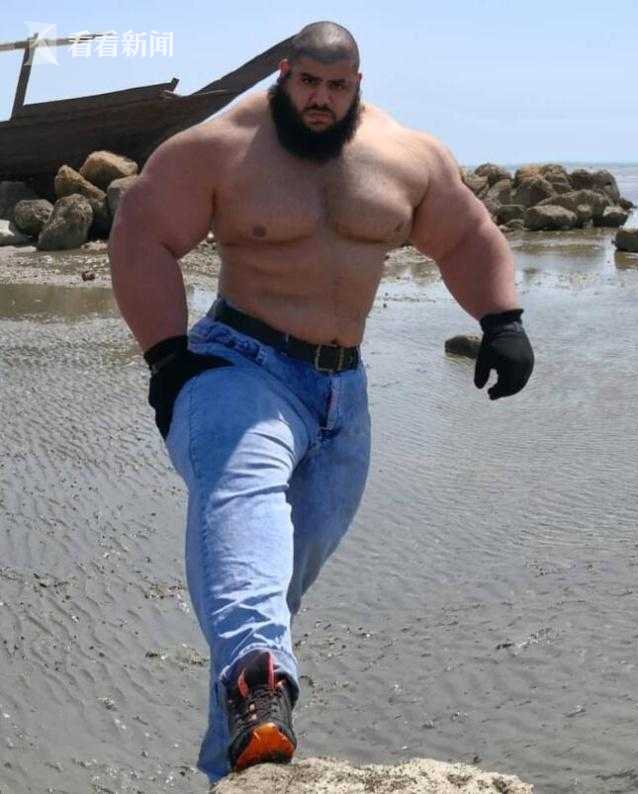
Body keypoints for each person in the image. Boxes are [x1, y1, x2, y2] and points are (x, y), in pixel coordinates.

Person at [108, 19, 534, 788]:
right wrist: (166, 356)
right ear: (284, 74)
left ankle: (232, 762)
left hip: (344, 395)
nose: (320, 100)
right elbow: (142, 229)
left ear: (356, 86)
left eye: (336, 87)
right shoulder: (222, 146)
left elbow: (466, 234)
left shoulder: (404, 155)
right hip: (237, 367)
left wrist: (502, 321)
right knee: (244, 507)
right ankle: (258, 685)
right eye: (308, 82)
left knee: (271, 586)